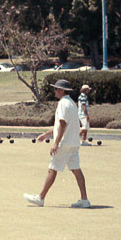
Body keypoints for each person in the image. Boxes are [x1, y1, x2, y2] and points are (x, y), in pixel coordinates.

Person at [24, 80, 90, 208]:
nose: (54, 91)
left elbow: (63, 125)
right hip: (73, 143)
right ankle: (84, 200)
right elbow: (62, 125)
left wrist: (56, 143)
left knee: (52, 169)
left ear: (61, 90)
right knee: (76, 170)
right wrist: (46, 134)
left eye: (56, 89)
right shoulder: (71, 103)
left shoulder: (63, 103)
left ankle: (40, 198)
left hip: (64, 143)